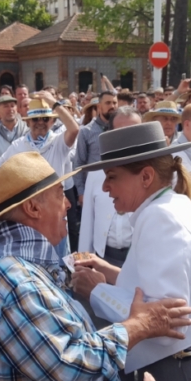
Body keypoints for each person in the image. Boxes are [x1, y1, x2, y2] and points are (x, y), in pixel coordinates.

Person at [0, 151, 191, 381]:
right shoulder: (15, 281)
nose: (68, 204)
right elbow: (72, 368)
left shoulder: (5, 262)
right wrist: (139, 326)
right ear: (33, 208)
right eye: (60, 195)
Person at [71, 121, 191, 381]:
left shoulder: (161, 218)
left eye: (112, 176)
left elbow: (165, 323)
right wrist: (112, 272)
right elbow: (152, 288)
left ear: (146, 176)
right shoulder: (169, 207)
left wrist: (97, 291)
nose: (105, 187)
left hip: (186, 368)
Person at [0, 92, 80, 256]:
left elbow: (74, 129)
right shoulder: (18, 146)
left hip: (55, 212)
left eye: (45, 119)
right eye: (36, 119)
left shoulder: (58, 143)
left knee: (59, 264)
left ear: (52, 121)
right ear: (28, 122)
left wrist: (55, 103)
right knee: (34, 262)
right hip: (29, 213)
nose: (40, 123)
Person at [78, 107, 141, 267]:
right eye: (120, 133)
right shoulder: (96, 173)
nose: (127, 140)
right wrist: (83, 264)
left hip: (141, 260)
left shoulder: (153, 174)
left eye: (133, 132)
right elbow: (87, 223)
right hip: (103, 259)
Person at [75, 91, 117, 203]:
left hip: (119, 187)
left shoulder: (121, 128)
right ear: (99, 106)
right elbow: (79, 163)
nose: (112, 106)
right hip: (95, 189)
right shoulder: (86, 131)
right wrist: (81, 192)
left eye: (114, 103)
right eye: (108, 103)